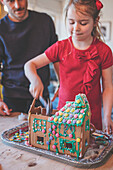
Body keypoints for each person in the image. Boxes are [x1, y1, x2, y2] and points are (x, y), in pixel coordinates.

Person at [24, 0, 113, 133]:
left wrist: (106, 116)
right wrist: (35, 80)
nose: (76, 28)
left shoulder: (104, 51)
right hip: (63, 117)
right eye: (71, 22)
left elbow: (107, 87)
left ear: (95, 21)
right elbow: (29, 65)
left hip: (92, 118)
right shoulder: (60, 47)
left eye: (83, 23)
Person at [0, 0, 58, 115]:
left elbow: (56, 56)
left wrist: (62, 82)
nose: (17, 5)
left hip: (42, 96)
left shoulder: (45, 21)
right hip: (12, 98)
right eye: (11, 1)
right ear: (2, 1)